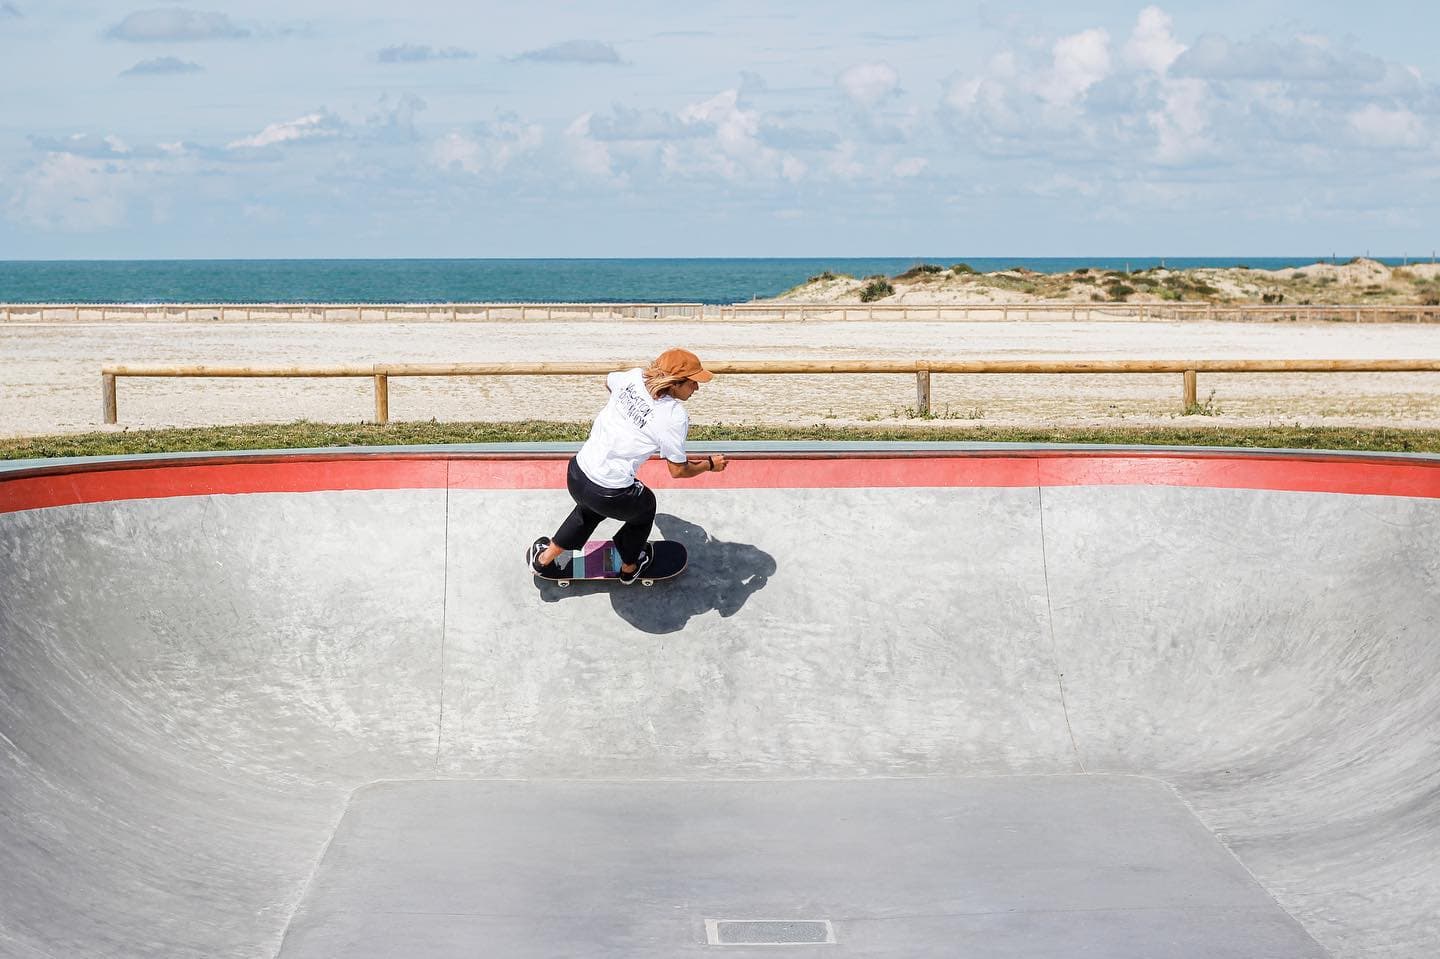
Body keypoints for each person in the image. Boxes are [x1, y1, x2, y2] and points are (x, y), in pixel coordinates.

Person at [529, 348, 728, 583]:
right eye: (693, 382)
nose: (697, 388)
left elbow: (609, 381)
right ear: (675, 383)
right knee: (645, 509)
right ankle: (630, 567)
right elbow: (678, 471)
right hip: (609, 492)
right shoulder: (674, 416)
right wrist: (709, 465)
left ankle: (543, 560)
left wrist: (627, 410)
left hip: (577, 473)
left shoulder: (633, 377)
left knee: (588, 511)